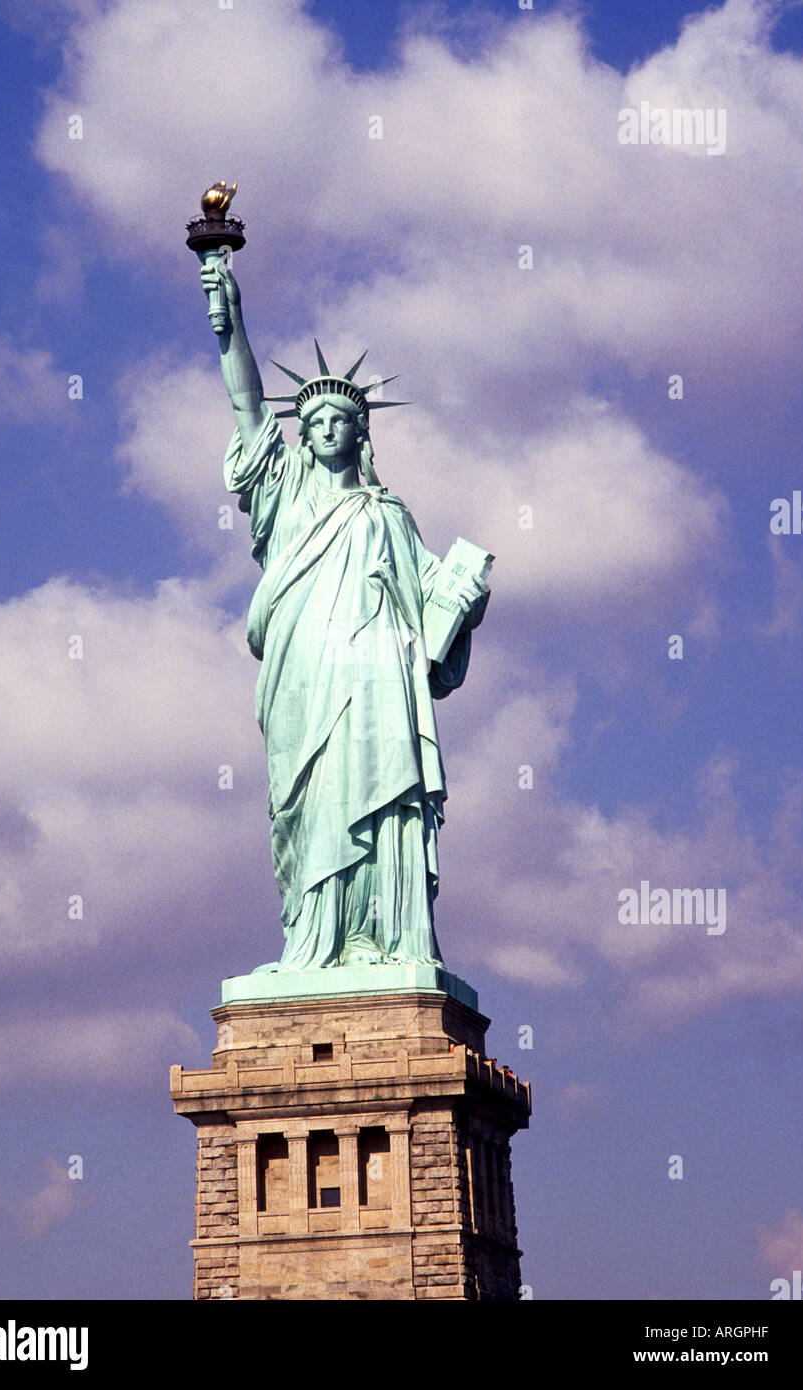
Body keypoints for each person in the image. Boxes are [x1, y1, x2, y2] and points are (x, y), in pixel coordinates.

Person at [201, 259, 489, 972]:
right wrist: (228, 314)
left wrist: (466, 590)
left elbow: (432, 599)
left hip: (377, 675)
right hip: (305, 673)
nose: (326, 428)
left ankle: (387, 939)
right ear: (301, 434)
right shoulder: (286, 489)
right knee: (309, 800)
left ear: (361, 434)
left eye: (340, 420)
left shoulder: (387, 511)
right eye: (315, 420)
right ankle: (314, 940)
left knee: (382, 790)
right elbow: (244, 404)